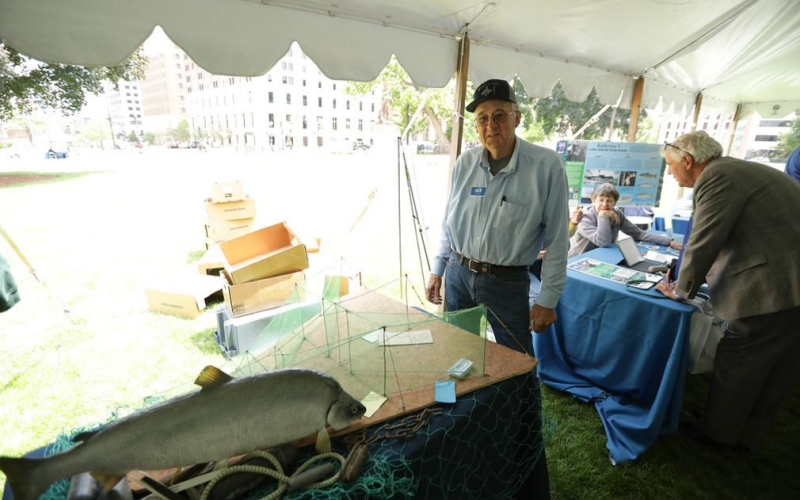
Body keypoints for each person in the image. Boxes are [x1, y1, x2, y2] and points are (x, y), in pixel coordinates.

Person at [425, 79, 569, 500]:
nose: (491, 125)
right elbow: (448, 223)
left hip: (507, 282)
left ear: (517, 118)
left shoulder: (545, 166)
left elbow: (558, 239)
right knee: (454, 357)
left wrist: (548, 298)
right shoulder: (464, 163)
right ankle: (452, 432)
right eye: (483, 118)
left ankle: (521, 447)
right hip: (458, 273)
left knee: (518, 369)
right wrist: (438, 268)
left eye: (500, 115)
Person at [655, 131, 800, 451]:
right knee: (779, 368)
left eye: (670, 165)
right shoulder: (739, 169)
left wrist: (682, 290)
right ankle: (747, 434)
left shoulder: (717, 176)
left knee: (740, 360)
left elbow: (705, 238)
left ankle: (717, 434)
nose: (669, 173)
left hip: (774, 288)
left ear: (688, 161)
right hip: (792, 283)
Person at [568, 183, 682, 258]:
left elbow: (639, 234)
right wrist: (603, 215)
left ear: (615, 202)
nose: (605, 204)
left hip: (603, 257)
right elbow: (603, 242)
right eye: (601, 200)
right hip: (580, 259)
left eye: (609, 201)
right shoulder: (585, 217)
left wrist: (668, 241)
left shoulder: (617, 213)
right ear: (593, 201)